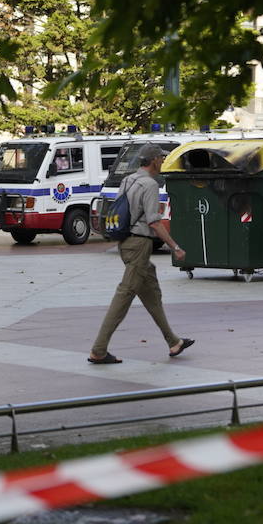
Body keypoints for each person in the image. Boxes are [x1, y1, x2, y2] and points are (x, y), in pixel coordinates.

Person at [88, 145, 194, 364]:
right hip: (139, 245)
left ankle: (174, 341)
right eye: (161, 158)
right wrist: (175, 246)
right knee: (124, 295)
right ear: (153, 160)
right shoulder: (150, 184)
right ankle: (98, 350)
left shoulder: (128, 180)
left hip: (125, 242)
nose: (163, 161)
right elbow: (154, 222)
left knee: (151, 293)